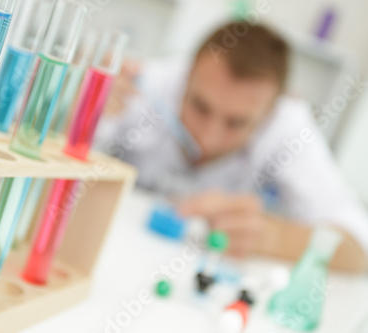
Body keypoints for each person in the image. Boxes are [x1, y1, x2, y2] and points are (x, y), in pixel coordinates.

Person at [96, 22, 368, 272]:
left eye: (236, 123)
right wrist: (80, 108)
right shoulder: (142, 84)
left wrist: (270, 236)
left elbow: (359, 248)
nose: (208, 138)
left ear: (271, 112)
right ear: (187, 77)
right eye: (200, 107)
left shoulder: (289, 127)